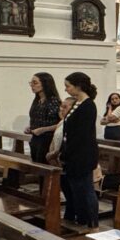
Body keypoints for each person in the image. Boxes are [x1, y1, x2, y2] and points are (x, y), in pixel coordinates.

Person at [61, 72, 100, 230]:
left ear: (78, 86)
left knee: (85, 188)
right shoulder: (77, 103)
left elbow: (82, 135)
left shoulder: (88, 105)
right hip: (73, 154)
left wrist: (69, 152)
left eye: (68, 86)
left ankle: (91, 221)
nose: (66, 90)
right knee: (76, 189)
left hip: (82, 155)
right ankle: (80, 217)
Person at [25, 72, 61, 163]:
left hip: (47, 140)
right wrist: (30, 127)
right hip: (36, 139)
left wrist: (43, 129)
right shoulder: (37, 100)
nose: (32, 85)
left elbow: (61, 124)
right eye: (31, 83)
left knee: (43, 166)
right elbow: (36, 117)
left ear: (45, 84)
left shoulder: (54, 101)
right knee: (35, 164)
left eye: (35, 83)